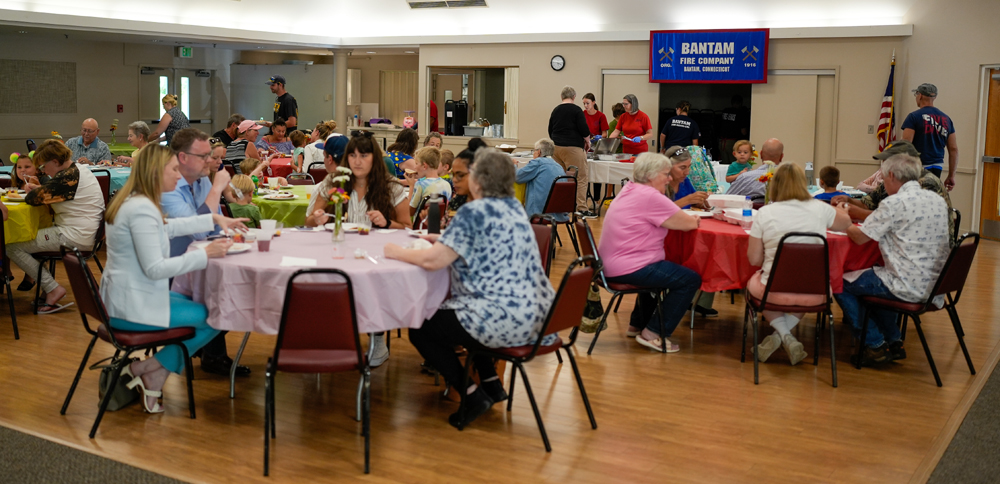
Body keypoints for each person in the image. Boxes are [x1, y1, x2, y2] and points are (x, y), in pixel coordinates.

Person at [385, 149, 556, 428]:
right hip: (537, 315)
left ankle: (472, 394)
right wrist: (439, 239)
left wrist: (394, 251)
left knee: (420, 325)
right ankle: (491, 384)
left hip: (503, 318)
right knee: (459, 316)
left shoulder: (474, 211)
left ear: (480, 179)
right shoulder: (512, 206)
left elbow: (432, 260)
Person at [102, 144, 247, 414]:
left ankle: (151, 370)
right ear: (156, 172)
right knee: (218, 315)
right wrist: (207, 253)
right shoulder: (142, 209)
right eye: (173, 170)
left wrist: (214, 219)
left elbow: (168, 227)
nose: (178, 176)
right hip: (132, 308)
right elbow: (156, 269)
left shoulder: (136, 201)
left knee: (203, 305)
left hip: (125, 297)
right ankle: (146, 369)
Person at [833, 153, 950, 366]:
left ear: (892, 176)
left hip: (907, 286)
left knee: (838, 281)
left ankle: (875, 345)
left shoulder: (894, 203)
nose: (883, 183)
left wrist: (843, 220)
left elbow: (859, 238)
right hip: (935, 286)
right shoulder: (937, 200)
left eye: (884, 178)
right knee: (872, 275)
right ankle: (894, 341)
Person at [305, 133, 407, 368]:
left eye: (364, 155)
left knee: (374, 284)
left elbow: (407, 227)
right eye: (352, 155)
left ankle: (378, 337)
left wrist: (387, 222)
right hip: (338, 250)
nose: (357, 161)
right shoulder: (334, 182)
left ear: (374, 159)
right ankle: (330, 335)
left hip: (376, 255)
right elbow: (309, 220)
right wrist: (317, 219)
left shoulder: (390, 187)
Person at [161, 129, 246, 376]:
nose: (211, 161)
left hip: (184, 267)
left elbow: (199, 227)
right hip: (164, 279)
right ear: (182, 158)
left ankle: (206, 351)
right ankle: (204, 354)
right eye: (204, 155)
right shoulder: (167, 190)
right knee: (221, 308)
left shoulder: (200, 180)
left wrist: (222, 222)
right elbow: (198, 233)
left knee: (227, 300)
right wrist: (217, 189)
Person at [748, 162, 851, 365]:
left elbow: (754, 260)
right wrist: (843, 209)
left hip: (773, 290)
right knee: (805, 280)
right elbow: (845, 224)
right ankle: (786, 336)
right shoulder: (821, 209)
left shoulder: (765, 213)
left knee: (754, 283)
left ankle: (784, 336)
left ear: (775, 185)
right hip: (816, 292)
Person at [599, 152, 702, 353]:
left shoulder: (630, 189)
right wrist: (696, 219)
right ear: (650, 176)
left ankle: (637, 324)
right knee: (689, 280)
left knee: (661, 272)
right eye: (666, 174)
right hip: (628, 266)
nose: (669, 178)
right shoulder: (650, 196)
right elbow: (688, 223)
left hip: (610, 263)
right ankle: (653, 333)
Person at [7, 140, 104, 313]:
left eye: (44, 165)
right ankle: (47, 286)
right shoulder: (77, 170)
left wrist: (33, 190)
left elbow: (32, 199)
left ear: (55, 162)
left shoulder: (67, 177)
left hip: (75, 236)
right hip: (86, 232)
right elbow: (50, 192)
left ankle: (52, 289)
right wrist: (39, 188)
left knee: (12, 245)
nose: (43, 170)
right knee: (27, 237)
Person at [831, 140, 955, 243]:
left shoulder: (926, 184)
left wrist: (850, 215)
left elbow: (894, 217)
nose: (883, 164)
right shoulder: (895, 180)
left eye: (887, 160)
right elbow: (868, 203)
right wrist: (848, 200)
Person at [547, 85, 594, 217]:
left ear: (561, 97)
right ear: (574, 97)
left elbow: (550, 129)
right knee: (580, 177)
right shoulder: (576, 110)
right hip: (573, 147)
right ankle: (582, 208)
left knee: (561, 177)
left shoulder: (555, 110)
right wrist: (587, 141)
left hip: (556, 148)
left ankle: (563, 207)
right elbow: (584, 129)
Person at [901, 83, 957, 190]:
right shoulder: (946, 119)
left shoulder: (913, 117)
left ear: (920, 95)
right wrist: (951, 176)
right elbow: (953, 149)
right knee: (931, 197)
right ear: (934, 97)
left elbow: (906, 145)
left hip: (918, 167)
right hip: (937, 166)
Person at [516, 138, 567, 220]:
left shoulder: (538, 163)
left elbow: (517, 177)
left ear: (539, 152)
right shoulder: (558, 166)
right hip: (559, 212)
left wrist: (514, 165)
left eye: (534, 150)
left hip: (539, 212)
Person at [728, 138, 784, 203]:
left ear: (761, 154)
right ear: (781, 157)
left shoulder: (744, 177)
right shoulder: (789, 180)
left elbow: (726, 200)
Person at [406, 146, 451, 217]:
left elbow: (409, 212)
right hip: (439, 225)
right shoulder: (447, 184)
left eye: (417, 164)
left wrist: (411, 186)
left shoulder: (420, 185)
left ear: (424, 166)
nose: (415, 167)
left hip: (420, 226)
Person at [664, 146, 710, 210]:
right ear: (668, 166)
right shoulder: (659, 185)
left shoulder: (685, 181)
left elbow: (694, 203)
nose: (687, 172)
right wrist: (687, 200)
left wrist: (704, 201)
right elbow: (659, 212)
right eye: (683, 168)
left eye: (689, 167)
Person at [718, 95, 750, 163]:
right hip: (732, 142)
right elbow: (743, 131)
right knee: (735, 164)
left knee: (724, 164)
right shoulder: (741, 113)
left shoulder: (725, 111)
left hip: (722, 141)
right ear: (740, 103)